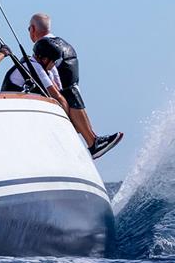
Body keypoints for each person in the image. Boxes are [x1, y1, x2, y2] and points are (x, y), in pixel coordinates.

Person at [28, 13, 123, 159]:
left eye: (29, 29)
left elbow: (59, 87)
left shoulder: (42, 49)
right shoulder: (64, 43)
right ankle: (92, 140)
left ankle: (92, 142)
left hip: (64, 100)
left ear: (33, 29)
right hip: (73, 97)